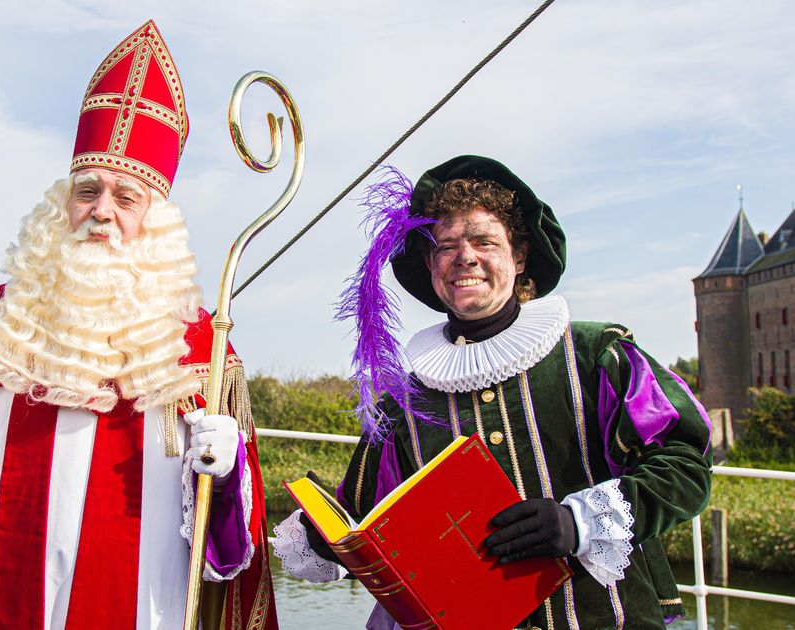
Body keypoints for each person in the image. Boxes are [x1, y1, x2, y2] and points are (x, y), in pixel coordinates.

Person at [0, 21, 277, 630]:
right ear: (61, 204)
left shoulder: (205, 352)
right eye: (87, 191)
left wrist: (228, 479)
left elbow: (228, 559)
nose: (100, 211)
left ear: (157, 221)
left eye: (126, 199)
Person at [273, 156, 712, 629]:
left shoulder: (596, 355)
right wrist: (321, 536)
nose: (465, 257)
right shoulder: (404, 401)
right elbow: (363, 520)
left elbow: (685, 466)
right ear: (430, 263)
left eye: (484, 241)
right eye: (446, 246)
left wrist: (576, 523)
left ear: (518, 257)